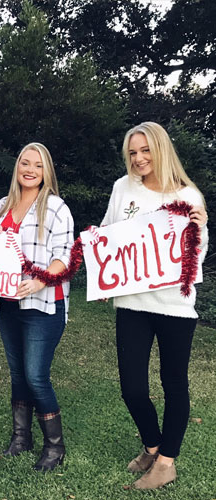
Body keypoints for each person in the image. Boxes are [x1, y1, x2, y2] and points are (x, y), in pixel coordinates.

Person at [101, 122, 208, 489]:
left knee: (174, 383)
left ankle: (165, 463)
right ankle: (151, 445)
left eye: (145, 150)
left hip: (174, 306)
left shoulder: (188, 196)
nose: (139, 158)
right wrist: (101, 265)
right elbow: (108, 235)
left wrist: (200, 229)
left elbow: (197, 253)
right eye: (132, 152)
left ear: (161, 149)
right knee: (131, 387)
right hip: (132, 303)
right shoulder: (122, 188)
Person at [0, 143, 74, 472]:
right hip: (7, 301)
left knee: (36, 375)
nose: (30, 169)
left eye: (37, 165)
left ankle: (55, 446)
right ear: (17, 166)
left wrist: (41, 280)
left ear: (45, 171)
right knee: (17, 374)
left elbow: (64, 253)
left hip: (42, 302)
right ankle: (21, 437)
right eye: (25, 162)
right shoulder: (1, 207)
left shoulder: (55, 207)